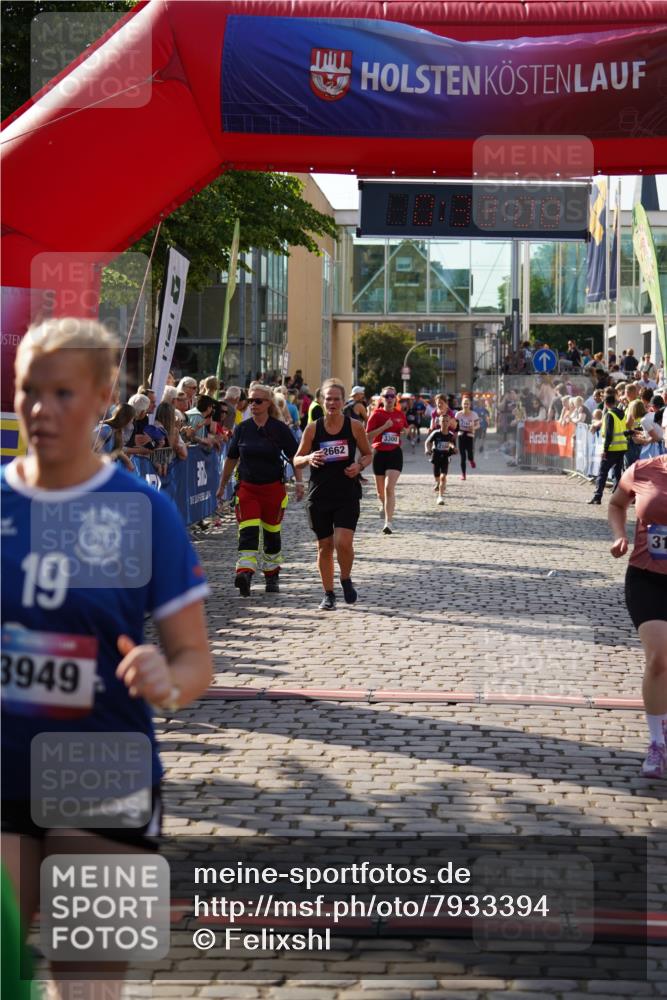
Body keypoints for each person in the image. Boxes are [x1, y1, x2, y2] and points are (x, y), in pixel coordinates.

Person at [1, 318, 212, 999]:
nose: (41, 409)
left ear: (102, 396)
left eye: (62, 393)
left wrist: (165, 681)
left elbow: (193, 663)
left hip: (102, 769)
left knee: (88, 987)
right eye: (29, 390)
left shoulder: (139, 510)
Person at [608, 454, 667, 777]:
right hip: (647, 578)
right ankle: (657, 743)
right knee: (659, 657)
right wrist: (620, 535)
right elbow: (617, 504)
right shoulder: (644, 470)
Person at [216, 382, 303, 595]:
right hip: (248, 488)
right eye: (250, 400)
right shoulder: (243, 429)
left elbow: (295, 457)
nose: (252, 404)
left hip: (273, 489)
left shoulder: (279, 429)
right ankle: (244, 572)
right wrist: (222, 485)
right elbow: (231, 458)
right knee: (248, 531)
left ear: (268, 403)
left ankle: (272, 575)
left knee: (272, 534)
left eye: (258, 401)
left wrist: (300, 483)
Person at [294, 379, 372, 610]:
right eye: (328, 398)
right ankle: (328, 594)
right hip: (319, 495)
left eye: (337, 399)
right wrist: (308, 458)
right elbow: (297, 459)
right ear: (322, 401)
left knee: (343, 542)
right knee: (325, 546)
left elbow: (368, 454)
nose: (332, 403)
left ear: (343, 400)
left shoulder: (354, 426)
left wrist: (359, 466)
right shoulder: (313, 428)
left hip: (347, 492)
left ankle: (345, 578)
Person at [365, 385, 408, 535]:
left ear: (395, 398)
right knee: (380, 493)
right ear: (382, 399)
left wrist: (406, 431)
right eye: (386, 396)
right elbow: (368, 436)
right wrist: (384, 427)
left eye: (392, 396)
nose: (389, 399)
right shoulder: (376, 414)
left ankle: (388, 522)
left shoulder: (400, 414)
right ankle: (383, 504)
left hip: (395, 453)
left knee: (389, 488)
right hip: (379, 454)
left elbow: (405, 429)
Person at [588, 389, 627, 504]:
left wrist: (605, 449)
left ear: (605, 403)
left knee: (602, 472)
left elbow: (609, 434)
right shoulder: (622, 414)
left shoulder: (609, 415)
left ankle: (597, 496)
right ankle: (617, 497)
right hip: (622, 448)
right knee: (617, 474)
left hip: (611, 449)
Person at [424, 413, 457, 504]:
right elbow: (427, 442)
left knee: (443, 477)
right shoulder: (435, 433)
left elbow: (452, 444)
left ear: (449, 423)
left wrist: (454, 448)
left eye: (447, 421)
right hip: (436, 456)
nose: (445, 423)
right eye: (443, 421)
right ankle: (439, 483)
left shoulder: (451, 435)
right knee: (437, 476)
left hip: (446, 457)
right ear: (439, 422)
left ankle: (440, 497)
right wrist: (427, 449)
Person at [455, 395, 480, 480]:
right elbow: (455, 426)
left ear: (470, 405)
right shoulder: (458, 414)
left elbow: (478, 425)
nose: (466, 405)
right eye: (464, 404)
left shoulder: (474, 414)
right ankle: (463, 474)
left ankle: (471, 460)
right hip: (461, 435)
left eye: (467, 404)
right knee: (462, 456)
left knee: (469, 454)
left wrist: (473, 428)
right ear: (462, 405)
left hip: (470, 435)